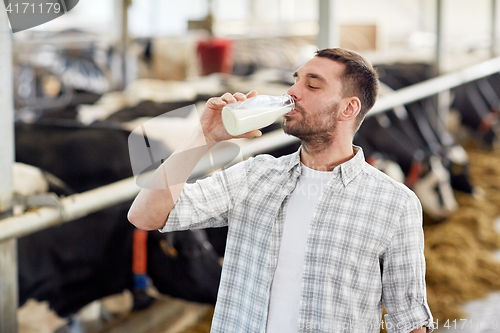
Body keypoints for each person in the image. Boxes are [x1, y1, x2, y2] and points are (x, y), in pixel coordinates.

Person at [128, 48, 434, 333]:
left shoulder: (395, 203)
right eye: (295, 80)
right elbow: (145, 215)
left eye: (312, 86)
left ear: (348, 108)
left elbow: (409, 319)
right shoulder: (254, 175)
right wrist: (202, 137)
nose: (292, 92)